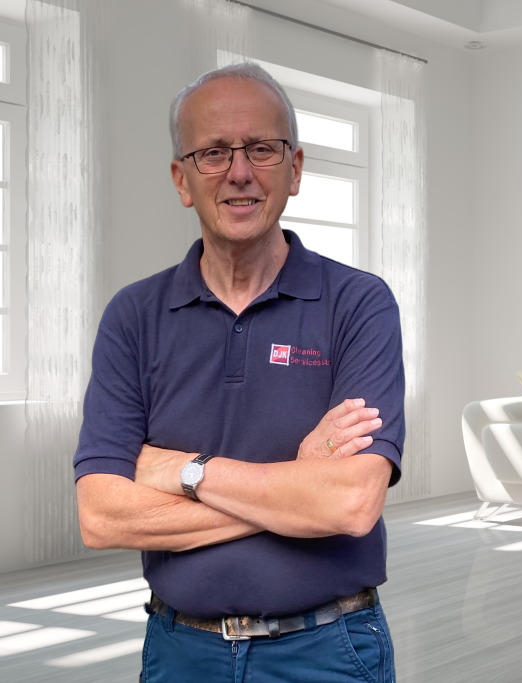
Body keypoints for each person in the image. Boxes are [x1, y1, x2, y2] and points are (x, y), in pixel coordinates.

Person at [73, 62, 402, 683]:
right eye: (213, 152)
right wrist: (299, 487)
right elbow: (102, 515)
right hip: (180, 651)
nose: (240, 171)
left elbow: (354, 503)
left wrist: (181, 471)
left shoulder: (359, 303)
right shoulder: (133, 317)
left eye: (262, 149)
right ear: (181, 179)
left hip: (328, 649)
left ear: (295, 169)